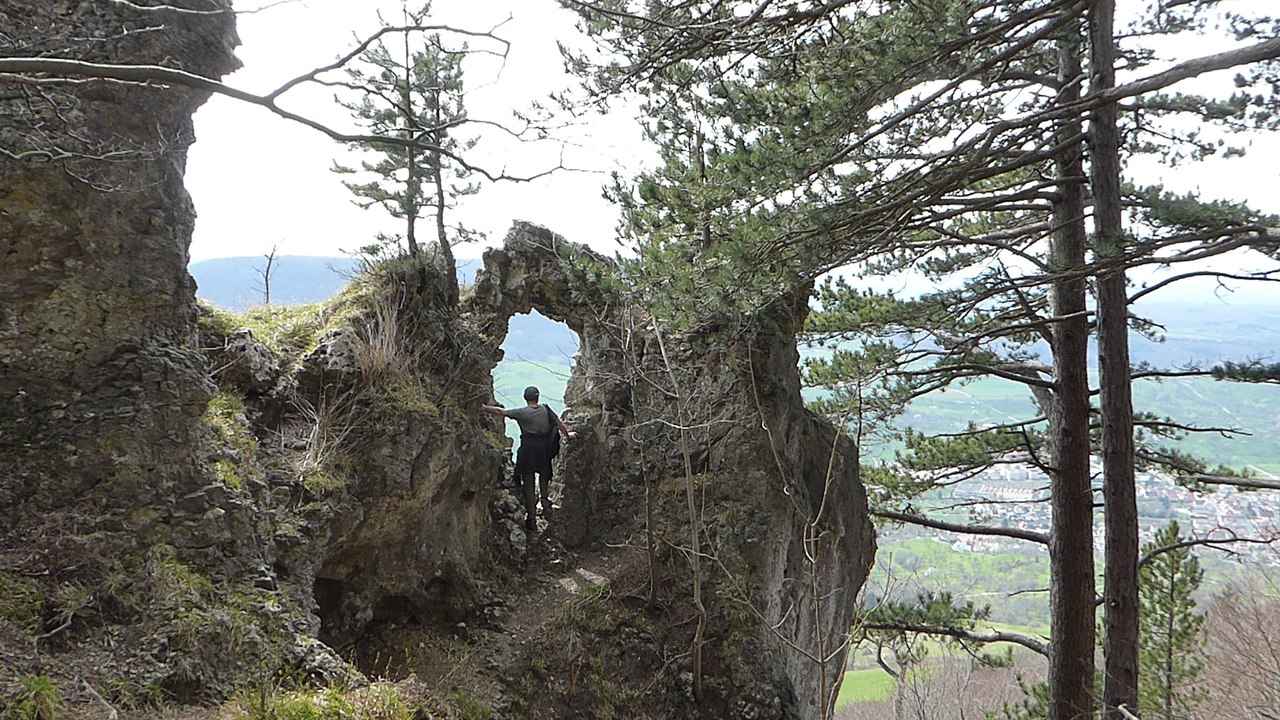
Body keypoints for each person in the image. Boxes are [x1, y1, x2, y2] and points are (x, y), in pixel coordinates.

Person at [481, 386, 576, 532]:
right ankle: (545, 502)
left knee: (528, 483)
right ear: (538, 397)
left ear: (525, 398)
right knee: (544, 475)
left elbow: (500, 412)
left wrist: (482, 407)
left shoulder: (521, 413)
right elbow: (559, 424)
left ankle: (531, 518)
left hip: (527, 452)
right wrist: (568, 435)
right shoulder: (546, 409)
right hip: (543, 451)